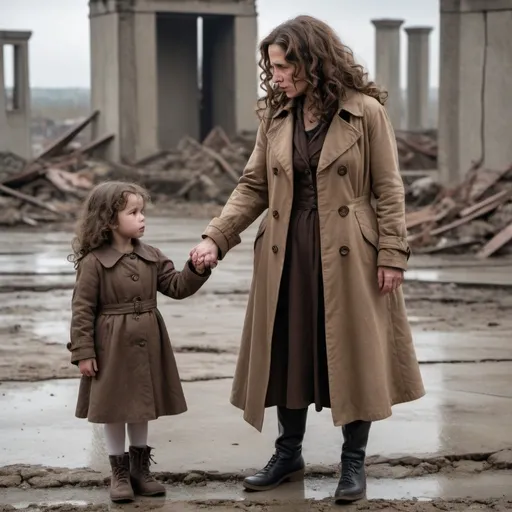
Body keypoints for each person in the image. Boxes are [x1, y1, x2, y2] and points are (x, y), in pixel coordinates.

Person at [190, 15, 425, 503]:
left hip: (352, 252)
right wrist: (217, 236)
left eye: (281, 66)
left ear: (310, 62)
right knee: (288, 347)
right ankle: (288, 453)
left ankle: (353, 462)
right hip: (286, 248)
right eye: (271, 66)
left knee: (354, 352)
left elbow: (388, 187)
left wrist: (393, 253)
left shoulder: (366, 112)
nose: (274, 75)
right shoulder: (276, 117)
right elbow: (254, 185)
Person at [67, 181, 210, 503]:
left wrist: (196, 269)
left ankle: (140, 471)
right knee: (115, 408)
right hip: (110, 346)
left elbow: (176, 287)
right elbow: (82, 310)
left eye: (142, 211)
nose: (142, 218)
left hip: (148, 341)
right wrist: (84, 352)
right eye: (133, 212)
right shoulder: (93, 263)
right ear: (108, 219)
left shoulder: (151, 256)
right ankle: (118, 473)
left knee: (141, 405)